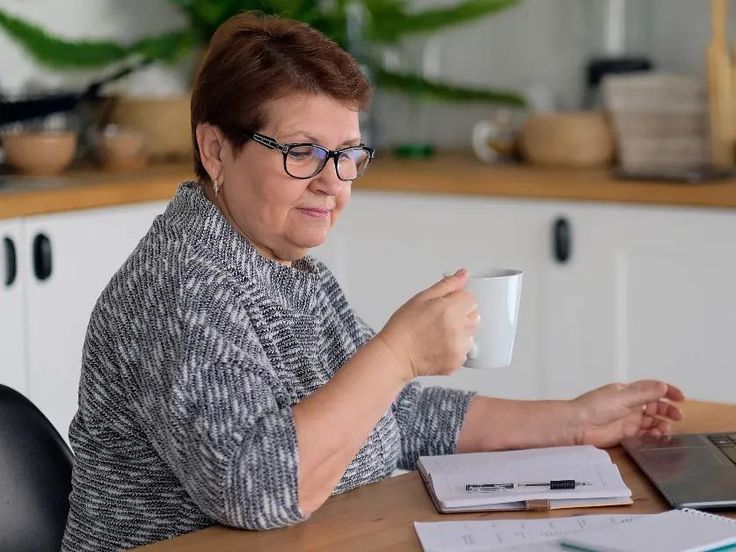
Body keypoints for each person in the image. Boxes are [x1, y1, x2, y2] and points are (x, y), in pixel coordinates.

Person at [61, 12, 685, 551]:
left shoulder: (290, 270)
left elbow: (391, 416)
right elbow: (256, 489)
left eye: (350, 155)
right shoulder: (180, 288)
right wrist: (397, 354)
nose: (333, 183)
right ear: (216, 150)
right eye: (302, 151)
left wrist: (572, 422)